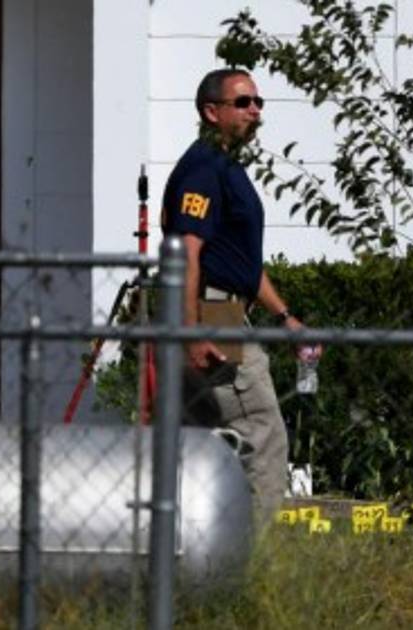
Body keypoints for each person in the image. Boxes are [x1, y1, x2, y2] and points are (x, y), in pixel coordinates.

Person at [161, 68, 323, 521]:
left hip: (218, 308)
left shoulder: (225, 167)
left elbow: (241, 264)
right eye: (243, 102)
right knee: (261, 433)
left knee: (199, 442)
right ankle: (254, 551)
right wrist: (193, 332)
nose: (255, 110)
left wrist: (285, 317)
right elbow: (187, 254)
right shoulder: (204, 169)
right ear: (211, 112)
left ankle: (192, 546)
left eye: (258, 102)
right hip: (215, 314)